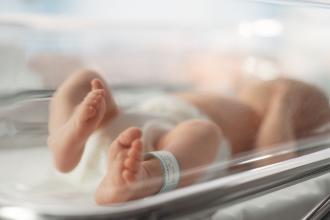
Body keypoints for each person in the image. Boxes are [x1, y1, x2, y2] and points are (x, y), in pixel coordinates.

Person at [47, 69, 330, 205]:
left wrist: (282, 103)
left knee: (204, 133)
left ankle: (147, 175)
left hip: (163, 147)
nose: (275, 84)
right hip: (120, 124)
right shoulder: (230, 95)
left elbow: (274, 160)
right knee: (85, 79)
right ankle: (66, 138)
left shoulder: (262, 123)